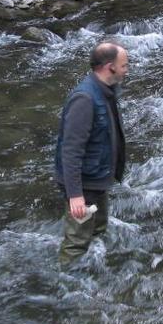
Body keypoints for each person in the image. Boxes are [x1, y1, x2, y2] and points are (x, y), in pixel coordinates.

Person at [54, 41, 129, 265]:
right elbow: (70, 150)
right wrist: (75, 194)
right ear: (110, 67)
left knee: (98, 227)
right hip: (84, 185)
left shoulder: (106, 90)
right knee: (76, 242)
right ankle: (66, 279)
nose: (127, 69)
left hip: (98, 178)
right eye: (124, 65)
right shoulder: (85, 99)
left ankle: (95, 264)